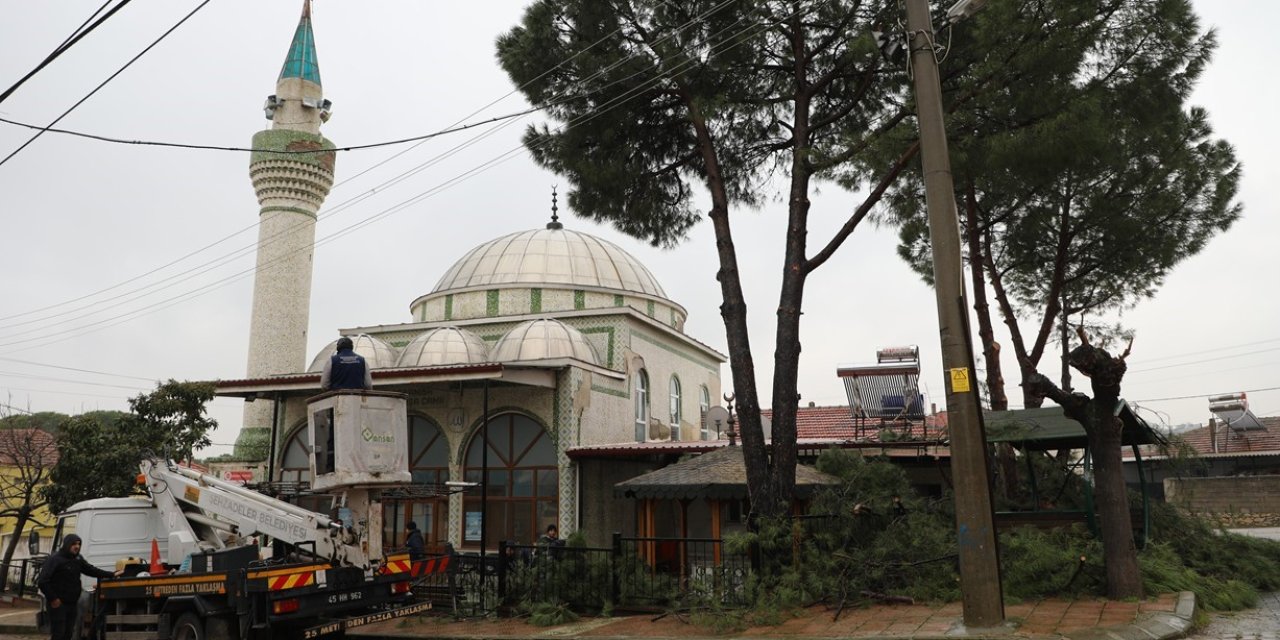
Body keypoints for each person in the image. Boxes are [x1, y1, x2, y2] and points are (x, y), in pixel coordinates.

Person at [37, 534, 121, 640]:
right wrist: (53, 599)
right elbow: (43, 581)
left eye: (78, 544)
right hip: (58, 605)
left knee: (69, 633)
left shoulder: (77, 559)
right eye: (73, 544)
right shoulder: (55, 559)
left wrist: (111, 574)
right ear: (67, 544)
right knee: (59, 634)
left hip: (72, 604)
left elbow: (91, 570)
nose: (77, 546)